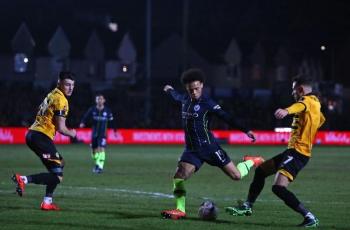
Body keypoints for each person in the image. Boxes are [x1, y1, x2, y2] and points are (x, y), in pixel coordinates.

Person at [160, 68, 264, 220]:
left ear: (202, 85)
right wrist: (169, 89)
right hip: (192, 150)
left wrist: (246, 130)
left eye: (196, 88)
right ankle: (180, 210)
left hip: (210, 148)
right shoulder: (185, 99)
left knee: (236, 176)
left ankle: (250, 161)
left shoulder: (208, 103)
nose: (194, 92)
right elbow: (175, 95)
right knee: (179, 176)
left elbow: (226, 117)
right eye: (190, 90)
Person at [225, 75, 326, 227]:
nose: (292, 93)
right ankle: (247, 206)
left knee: (278, 188)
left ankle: (309, 217)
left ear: (300, 89)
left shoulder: (308, 101)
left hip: (298, 153)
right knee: (261, 171)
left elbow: (300, 105)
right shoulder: (316, 104)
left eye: (293, 90)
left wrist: (287, 110)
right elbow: (321, 120)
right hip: (292, 151)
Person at [12, 71, 77, 211]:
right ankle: (23, 179)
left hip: (33, 134)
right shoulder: (61, 100)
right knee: (57, 176)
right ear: (59, 83)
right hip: (40, 137)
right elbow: (61, 128)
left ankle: (47, 202)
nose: (70, 88)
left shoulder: (52, 94)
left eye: (72, 85)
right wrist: (73, 133)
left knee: (61, 164)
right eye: (67, 84)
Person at [79, 94, 115, 173]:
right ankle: (97, 164)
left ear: (104, 100)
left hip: (103, 134)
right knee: (94, 151)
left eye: (101, 99)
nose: (99, 100)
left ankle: (100, 167)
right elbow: (85, 117)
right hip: (94, 133)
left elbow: (112, 121)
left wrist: (114, 130)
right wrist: (82, 122)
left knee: (101, 148)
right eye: (98, 99)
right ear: (96, 101)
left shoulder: (107, 110)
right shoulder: (92, 109)